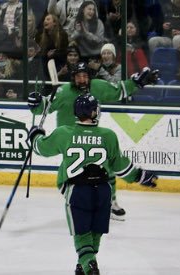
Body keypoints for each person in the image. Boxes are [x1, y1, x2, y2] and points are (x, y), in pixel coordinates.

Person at [28, 93, 158, 275]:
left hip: (77, 191)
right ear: (93, 112)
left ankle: (89, 265)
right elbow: (120, 167)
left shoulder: (63, 133)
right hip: (104, 191)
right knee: (95, 233)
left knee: (82, 235)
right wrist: (141, 176)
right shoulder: (108, 135)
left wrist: (35, 135)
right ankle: (84, 265)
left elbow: (41, 148)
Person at [27, 62, 159, 221]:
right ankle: (84, 202)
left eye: (85, 76)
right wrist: (36, 103)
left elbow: (117, 91)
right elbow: (44, 107)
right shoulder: (64, 92)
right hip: (69, 140)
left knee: (106, 169)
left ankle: (107, 203)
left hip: (85, 136)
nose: (82, 80)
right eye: (78, 77)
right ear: (72, 79)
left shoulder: (96, 87)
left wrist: (135, 83)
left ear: (90, 77)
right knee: (88, 171)